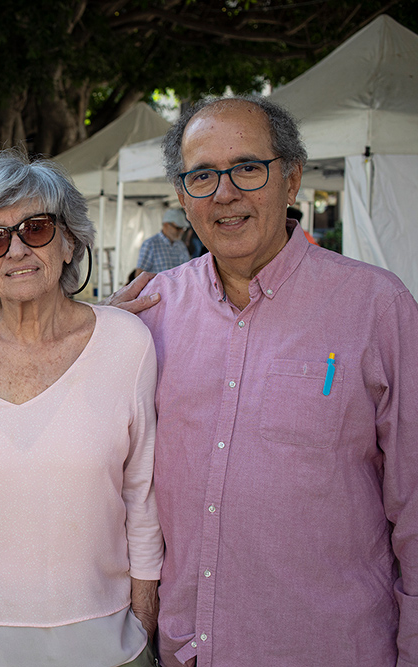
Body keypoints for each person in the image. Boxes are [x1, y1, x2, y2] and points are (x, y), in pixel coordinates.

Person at [137, 95, 418, 666]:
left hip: (328, 649)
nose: (224, 192)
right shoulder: (151, 313)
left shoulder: (376, 306)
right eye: (202, 175)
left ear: (291, 181)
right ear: (182, 195)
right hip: (187, 651)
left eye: (247, 167)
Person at [0, 152, 161, 667]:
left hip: (104, 641)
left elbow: (142, 493)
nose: (16, 249)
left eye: (37, 228)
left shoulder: (127, 343)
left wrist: (142, 618)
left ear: (70, 242)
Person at [136, 208, 190, 273]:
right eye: (178, 228)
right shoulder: (150, 244)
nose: (181, 232)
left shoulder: (181, 245)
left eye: (183, 228)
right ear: (166, 225)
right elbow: (139, 274)